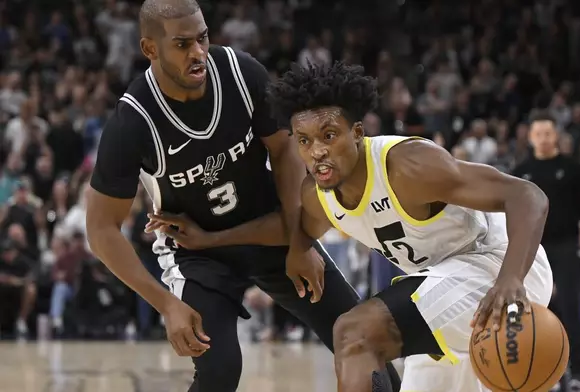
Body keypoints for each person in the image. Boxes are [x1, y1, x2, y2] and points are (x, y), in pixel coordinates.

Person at [149, 62, 554, 392]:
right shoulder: (318, 194)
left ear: (357, 134)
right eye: (304, 141)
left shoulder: (408, 165)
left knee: (354, 332)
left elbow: (527, 197)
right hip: (442, 287)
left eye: (329, 135)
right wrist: (212, 239)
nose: (317, 150)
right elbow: (293, 229)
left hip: (501, 266)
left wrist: (510, 279)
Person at [85, 1, 400, 391]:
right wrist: (166, 304)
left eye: (202, 38)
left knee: (368, 349)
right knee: (220, 369)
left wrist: (300, 241)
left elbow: (284, 151)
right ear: (150, 49)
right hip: (198, 254)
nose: (198, 53)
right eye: (182, 45)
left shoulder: (239, 72)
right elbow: (101, 229)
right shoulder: (133, 121)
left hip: (273, 232)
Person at [512, 111, 580, 391]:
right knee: (537, 308)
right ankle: (544, 370)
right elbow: (513, 214)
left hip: (566, 246)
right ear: (531, 137)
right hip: (534, 249)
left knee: (571, 306)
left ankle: (577, 371)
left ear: (556, 136)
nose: (543, 138)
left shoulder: (572, 169)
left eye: (548, 133)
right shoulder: (522, 172)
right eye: (538, 134)